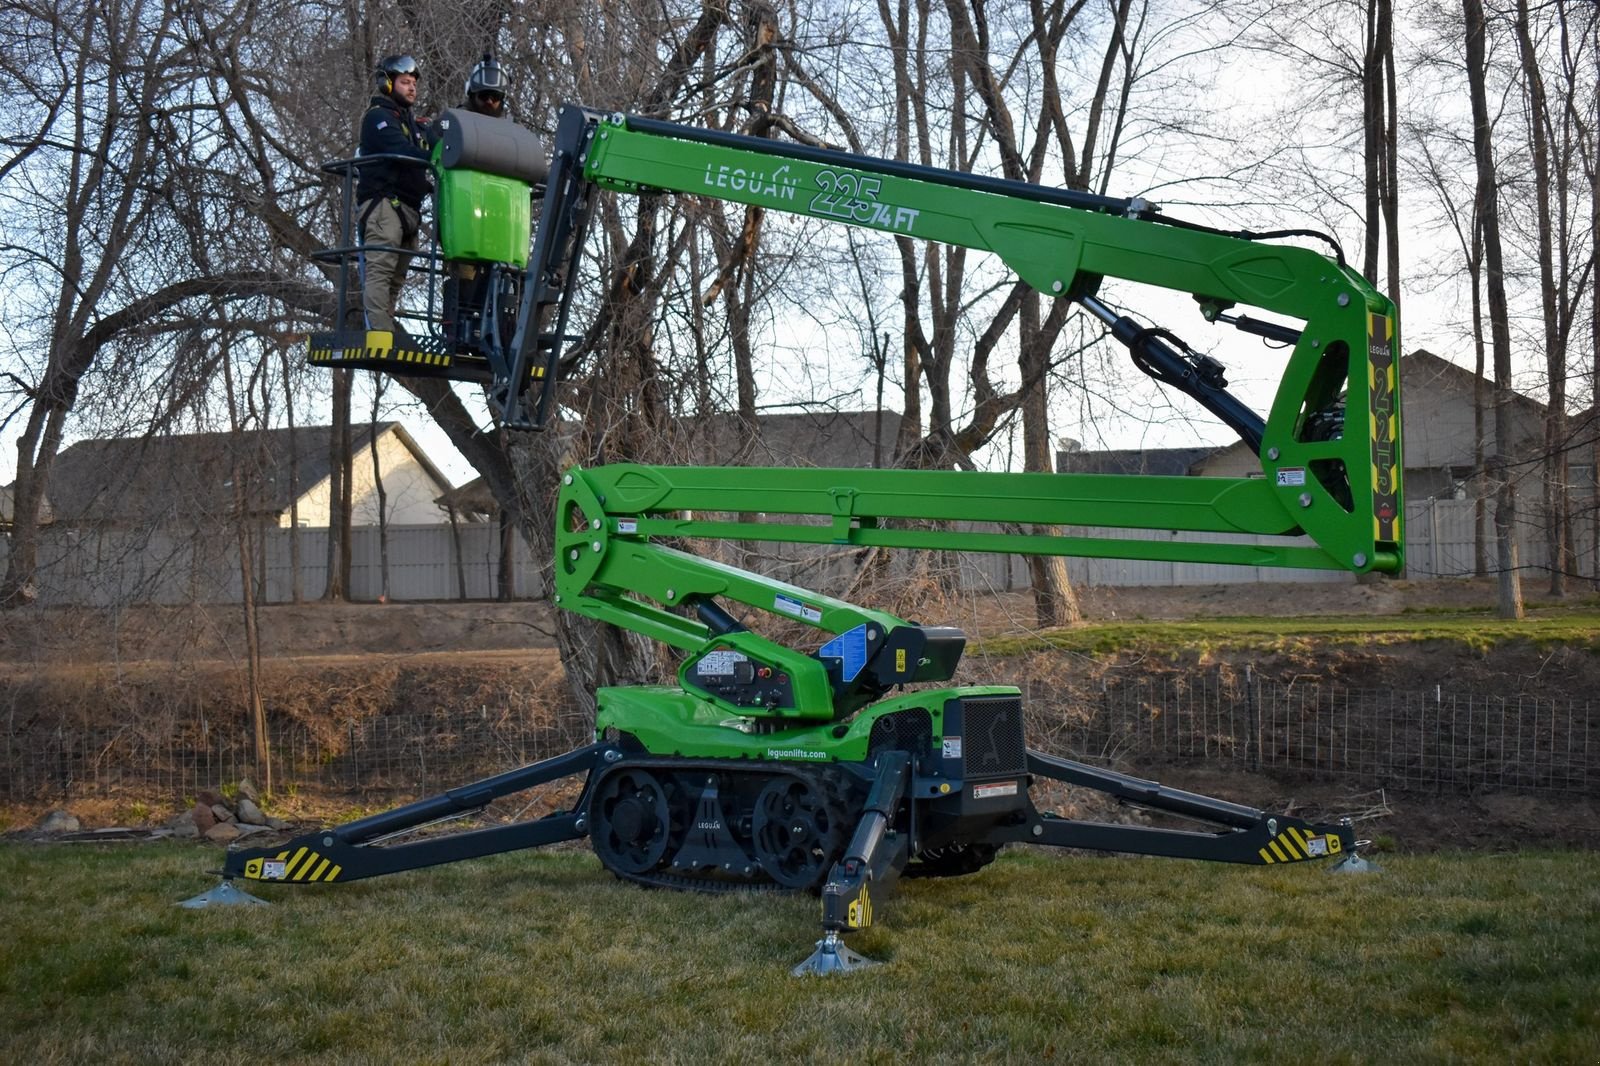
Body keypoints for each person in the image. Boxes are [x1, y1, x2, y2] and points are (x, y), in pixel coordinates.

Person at [356, 54, 433, 335]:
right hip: (384, 205)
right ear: (387, 85)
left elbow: (421, 148)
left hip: (409, 208)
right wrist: (435, 156)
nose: (412, 88)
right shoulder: (378, 118)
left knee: (397, 276)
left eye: (414, 83)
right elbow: (402, 151)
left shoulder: (412, 123)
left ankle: (383, 328)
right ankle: (379, 334)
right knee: (381, 270)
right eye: (405, 82)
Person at [461, 52, 508, 118]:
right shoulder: (456, 121)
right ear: (472, 95)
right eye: (484, 96)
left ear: (502, 98)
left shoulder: (509, 125)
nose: (489, 101)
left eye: (496, 96)